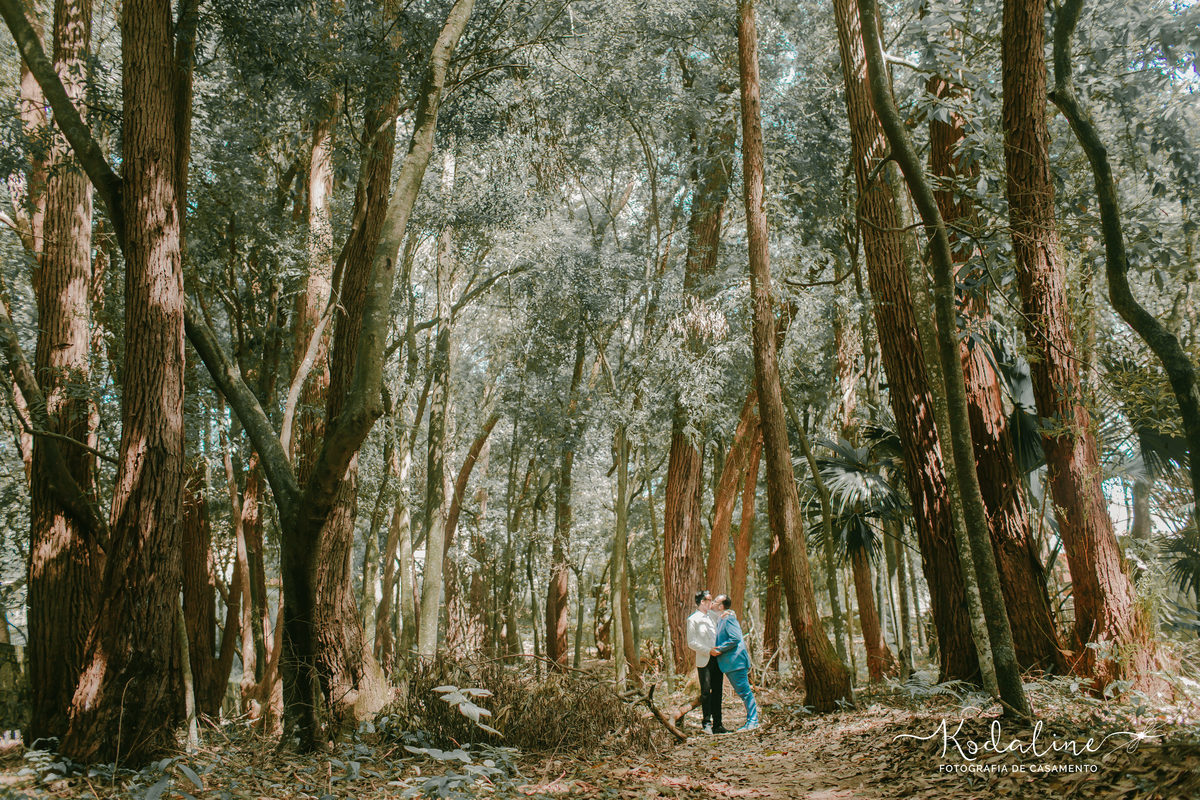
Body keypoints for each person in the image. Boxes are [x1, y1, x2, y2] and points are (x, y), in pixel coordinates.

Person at [710, 594, 759, 731]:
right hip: (730, 664)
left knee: (745, 692)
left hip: (736, 662)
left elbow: (735, 638)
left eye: (715, 601)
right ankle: (752, 720)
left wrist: (719, 649)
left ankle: (753, 721)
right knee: (743, 692)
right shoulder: (722, 618)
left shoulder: (729, 618)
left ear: (721, 606)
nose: (712, 603)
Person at [686, 589, 726, 734]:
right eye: (709, 600)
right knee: (706, 692)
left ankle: (718, 724)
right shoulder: (693, 619)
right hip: (704, 659)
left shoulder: (713, 616)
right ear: (702, 602)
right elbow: (691, 642)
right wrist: (708, 650)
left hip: (717, 658)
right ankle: (706, 723)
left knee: (717, 691)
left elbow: (724, 620)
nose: (711, 602)